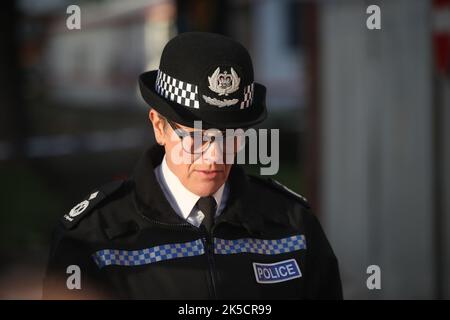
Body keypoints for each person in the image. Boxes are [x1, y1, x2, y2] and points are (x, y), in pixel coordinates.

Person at [43, 32, 343, 299]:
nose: (214, 157)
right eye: (196, 138)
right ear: (158, 127)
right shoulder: (94, 240)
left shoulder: (292, 228)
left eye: (229, 137)